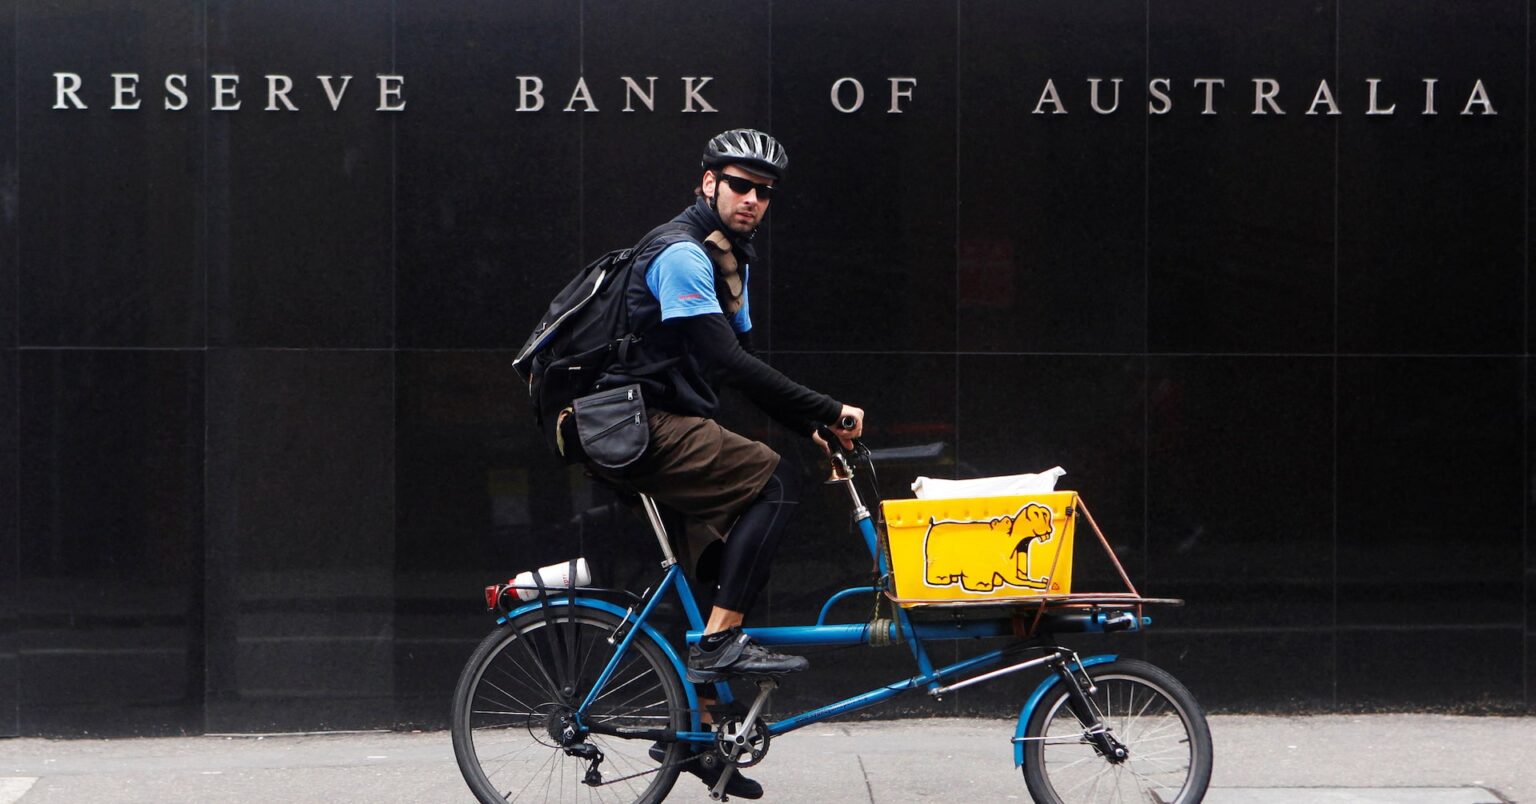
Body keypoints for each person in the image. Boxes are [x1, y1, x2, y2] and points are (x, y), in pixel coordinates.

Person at [585, 129, 863, 797]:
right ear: (707, 182)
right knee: (768, 479)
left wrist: (810, 428)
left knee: (708, 563)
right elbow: (724, 362)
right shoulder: (683, 254)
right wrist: (827, 409)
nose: (753, 199)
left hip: (656, 422)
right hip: (633, 423)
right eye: (740, 184)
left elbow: (736, 376)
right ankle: (718, 644)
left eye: (765, 192)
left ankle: (699, 735)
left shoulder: (728, 260)